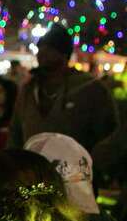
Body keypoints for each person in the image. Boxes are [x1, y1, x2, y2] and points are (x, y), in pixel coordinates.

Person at [11, 23, 117, 154]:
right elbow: (15, 134)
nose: (42, 53)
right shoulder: (29, 90)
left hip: (74, 170)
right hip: (33, 170)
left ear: (63, 54)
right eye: (40, 48)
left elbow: (108, 135)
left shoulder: (90, 88)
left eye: (49, 48)